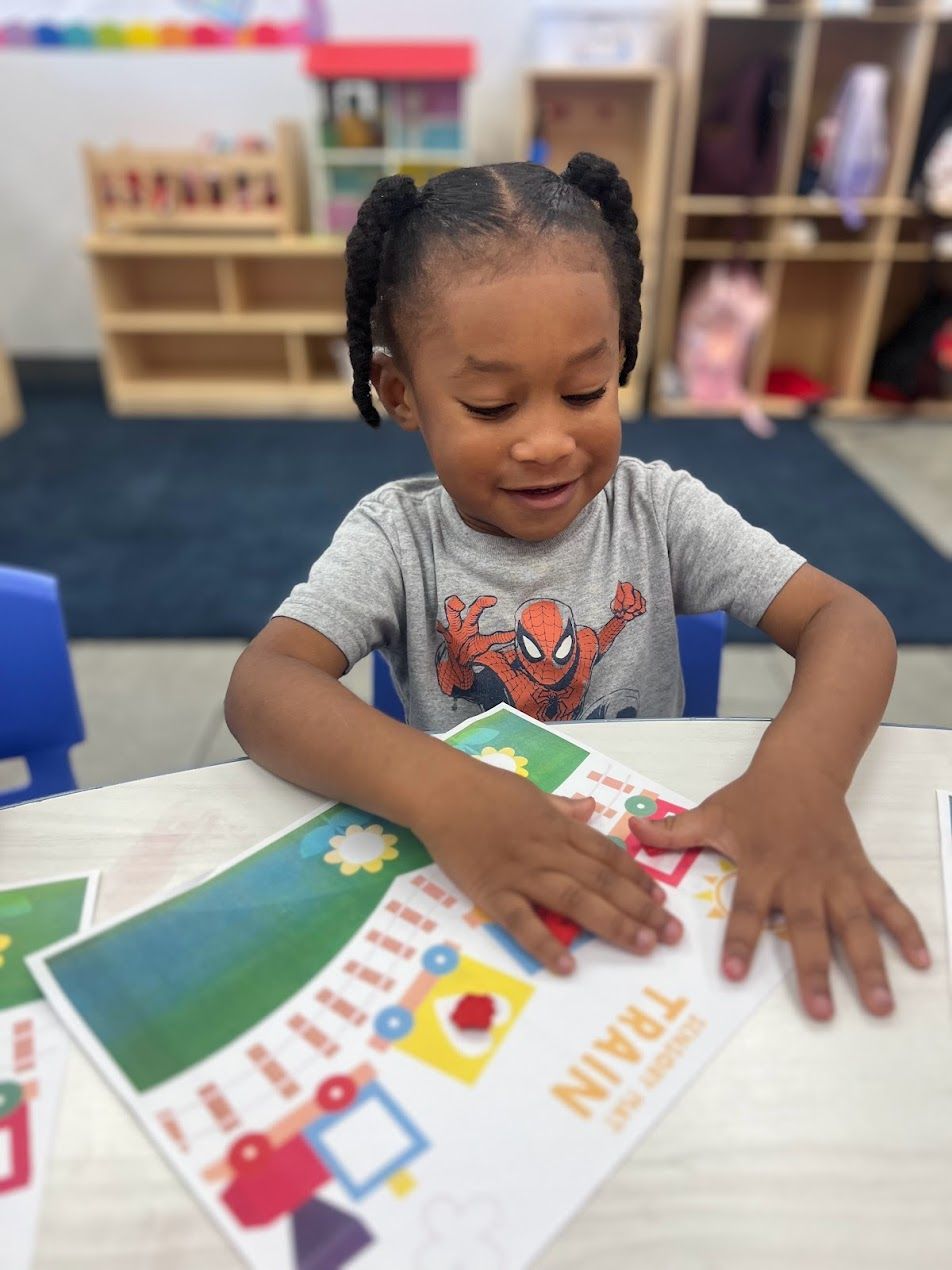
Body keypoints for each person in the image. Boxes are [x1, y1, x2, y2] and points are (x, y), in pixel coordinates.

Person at [225, 153, 930, 1021]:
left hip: (661, 883)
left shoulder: (657, 509)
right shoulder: (394, 537)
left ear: (622, 361)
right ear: (401, 394)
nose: (548, 442)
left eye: (584, 391)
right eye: (491, 407)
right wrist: (444, 794)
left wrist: (804, 775)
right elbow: (264, 687)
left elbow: (845, 620)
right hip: (479, 882)